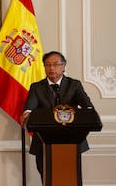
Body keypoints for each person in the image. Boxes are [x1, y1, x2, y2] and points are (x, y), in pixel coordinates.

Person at [20, 51, 94, 182]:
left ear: (64, 67)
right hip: (43, 141)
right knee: (47, 177)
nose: (51, 68)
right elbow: (29, 108)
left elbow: (88, 108)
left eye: (55, 64)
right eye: (47, 65)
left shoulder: (74, 85)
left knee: (69, 178)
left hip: (71, 140)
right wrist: (26, 114)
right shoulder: (37, 87)